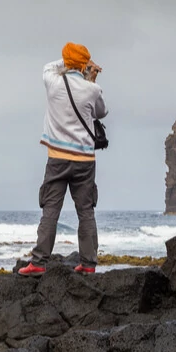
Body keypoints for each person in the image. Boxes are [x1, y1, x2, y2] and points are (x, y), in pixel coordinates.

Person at [18, 42, 107, 276]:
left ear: (66, 61)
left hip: (57, 158)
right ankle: (88, 264)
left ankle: (38, 262)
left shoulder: (52, 81)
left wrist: (71, 63)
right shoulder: (92, 89)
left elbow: (49, 66)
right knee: (85, 211)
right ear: (84, 64)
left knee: (50, 210)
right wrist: (90, 76)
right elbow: (100, 113)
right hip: (85, 160)